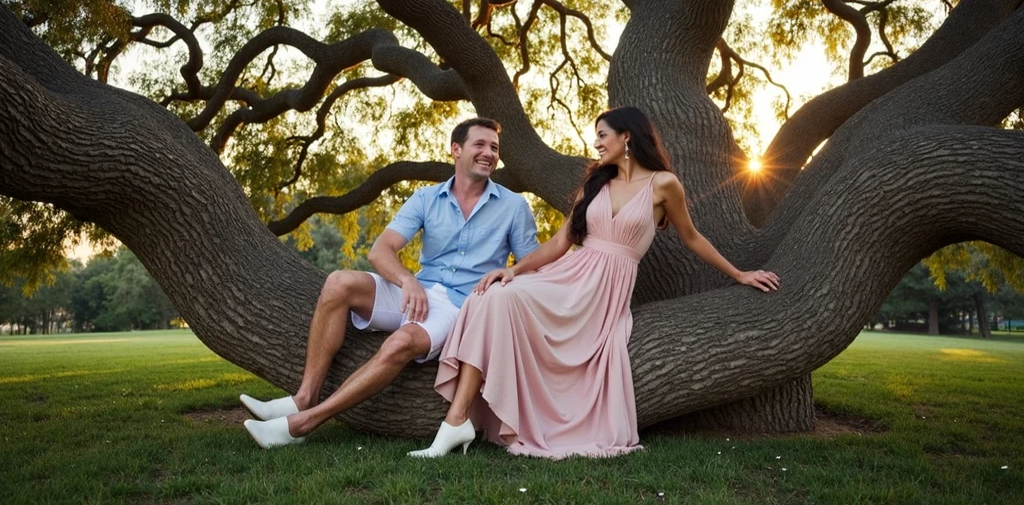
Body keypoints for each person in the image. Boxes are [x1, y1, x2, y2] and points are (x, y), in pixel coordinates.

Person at [409, 106, 780, 460]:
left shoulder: (664, 184)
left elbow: (693, 237)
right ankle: (455, 424)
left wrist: (739, 273)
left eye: (603, 136)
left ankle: (463, 424)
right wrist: (514, 271)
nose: (598, 143)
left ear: (627, 137)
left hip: (605, 290)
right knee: (491, 296)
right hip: (571, 274)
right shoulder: (595, 183)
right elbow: (559, 243)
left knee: (497, 301)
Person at [240, 117, 540, 448]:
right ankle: (303, 397)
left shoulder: (514, 206)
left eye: (494, 148)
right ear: (456, 150)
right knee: (339, 282)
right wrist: (407, 281)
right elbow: (381, 250)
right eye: (480, 145)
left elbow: (531, 263)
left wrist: (510, 273)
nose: (488, 153)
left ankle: (302, 424)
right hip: (416, 289)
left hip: (459, 306)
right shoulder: (426, 198)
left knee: (400, 342)